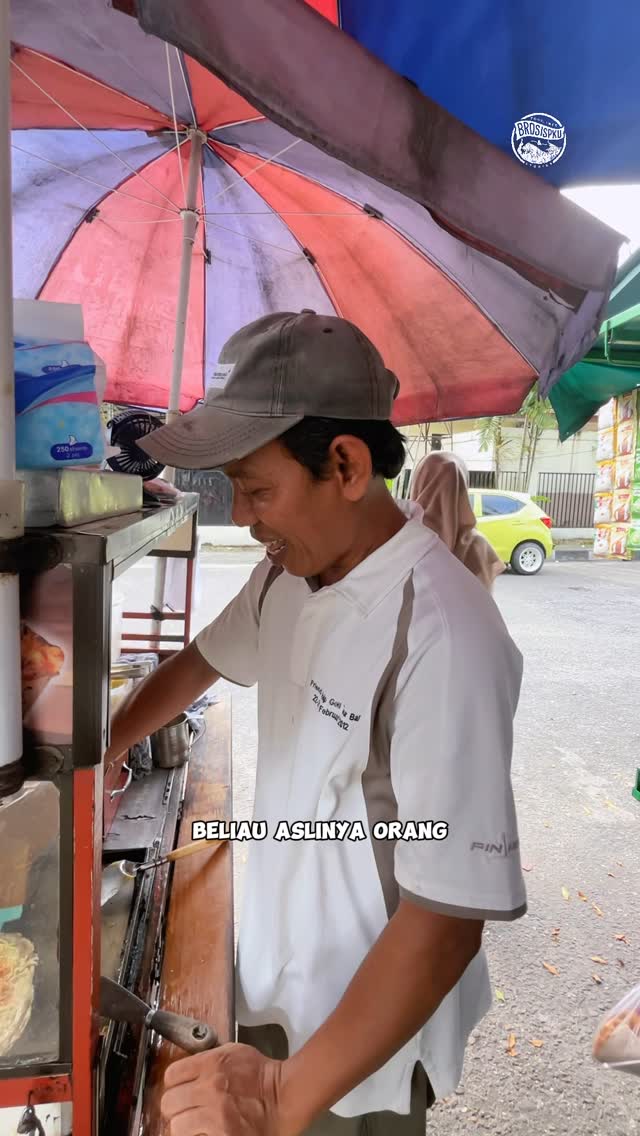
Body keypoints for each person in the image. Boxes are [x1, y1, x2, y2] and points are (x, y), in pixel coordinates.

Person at [108, 312, 526, 1136]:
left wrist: (281, 1098)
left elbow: (446, 924)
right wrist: (102, 750)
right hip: (272, 966)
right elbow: (199, 661)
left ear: (345, 463)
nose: (247, 520)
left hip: (358, 1033)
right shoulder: (288, 576)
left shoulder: (445, 634)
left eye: (258, 490)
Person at [409, 450, 505, 591]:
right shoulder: (477, 546)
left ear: (418, 483)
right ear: (462, 488)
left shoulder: (401, 537)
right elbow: (482, 605)